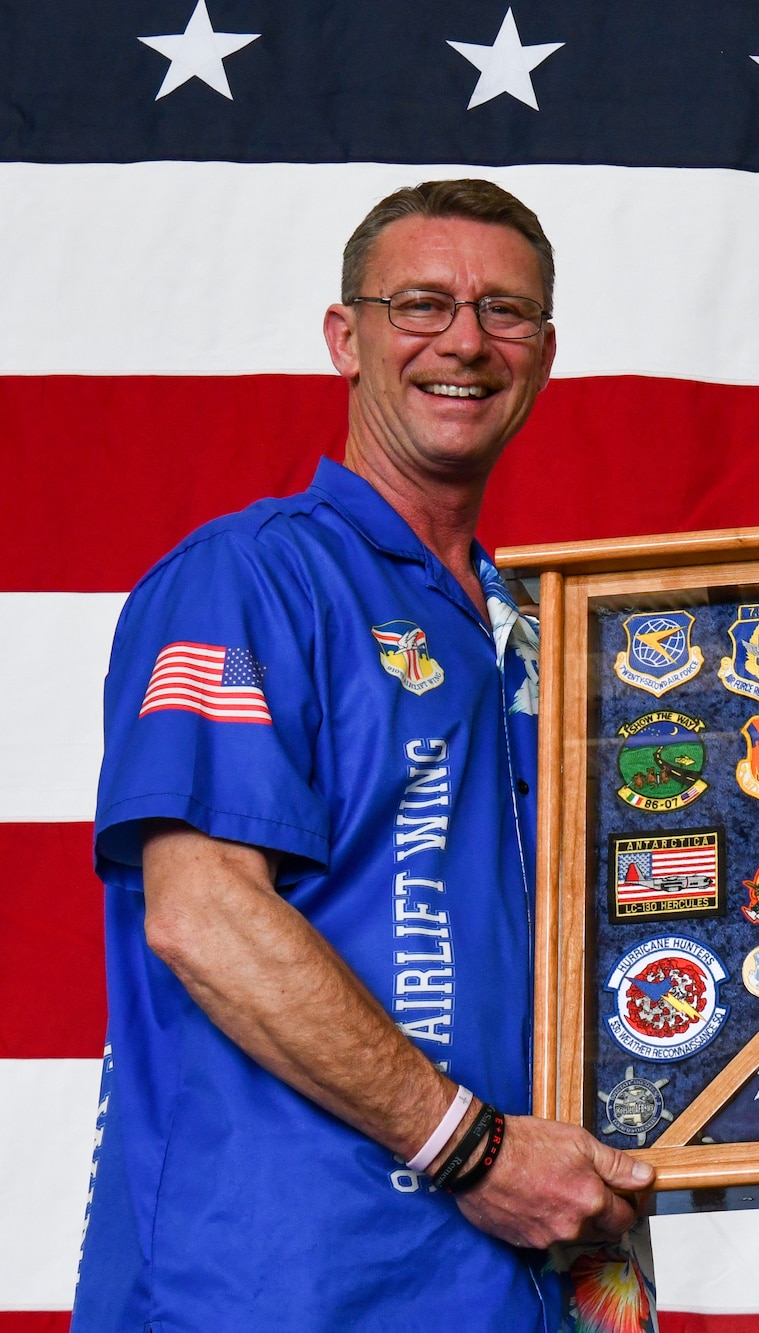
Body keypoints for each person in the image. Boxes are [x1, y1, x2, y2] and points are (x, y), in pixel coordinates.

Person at [76, 180, 655, 1331]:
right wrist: (473, 1150)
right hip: (287, 1285)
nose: (465, 342)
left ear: (543, 352)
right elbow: (203, 915)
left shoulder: (550, 636)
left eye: (505, 312)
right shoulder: (247, 578)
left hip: (531, 1282)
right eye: (422, 303)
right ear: (347, 337)